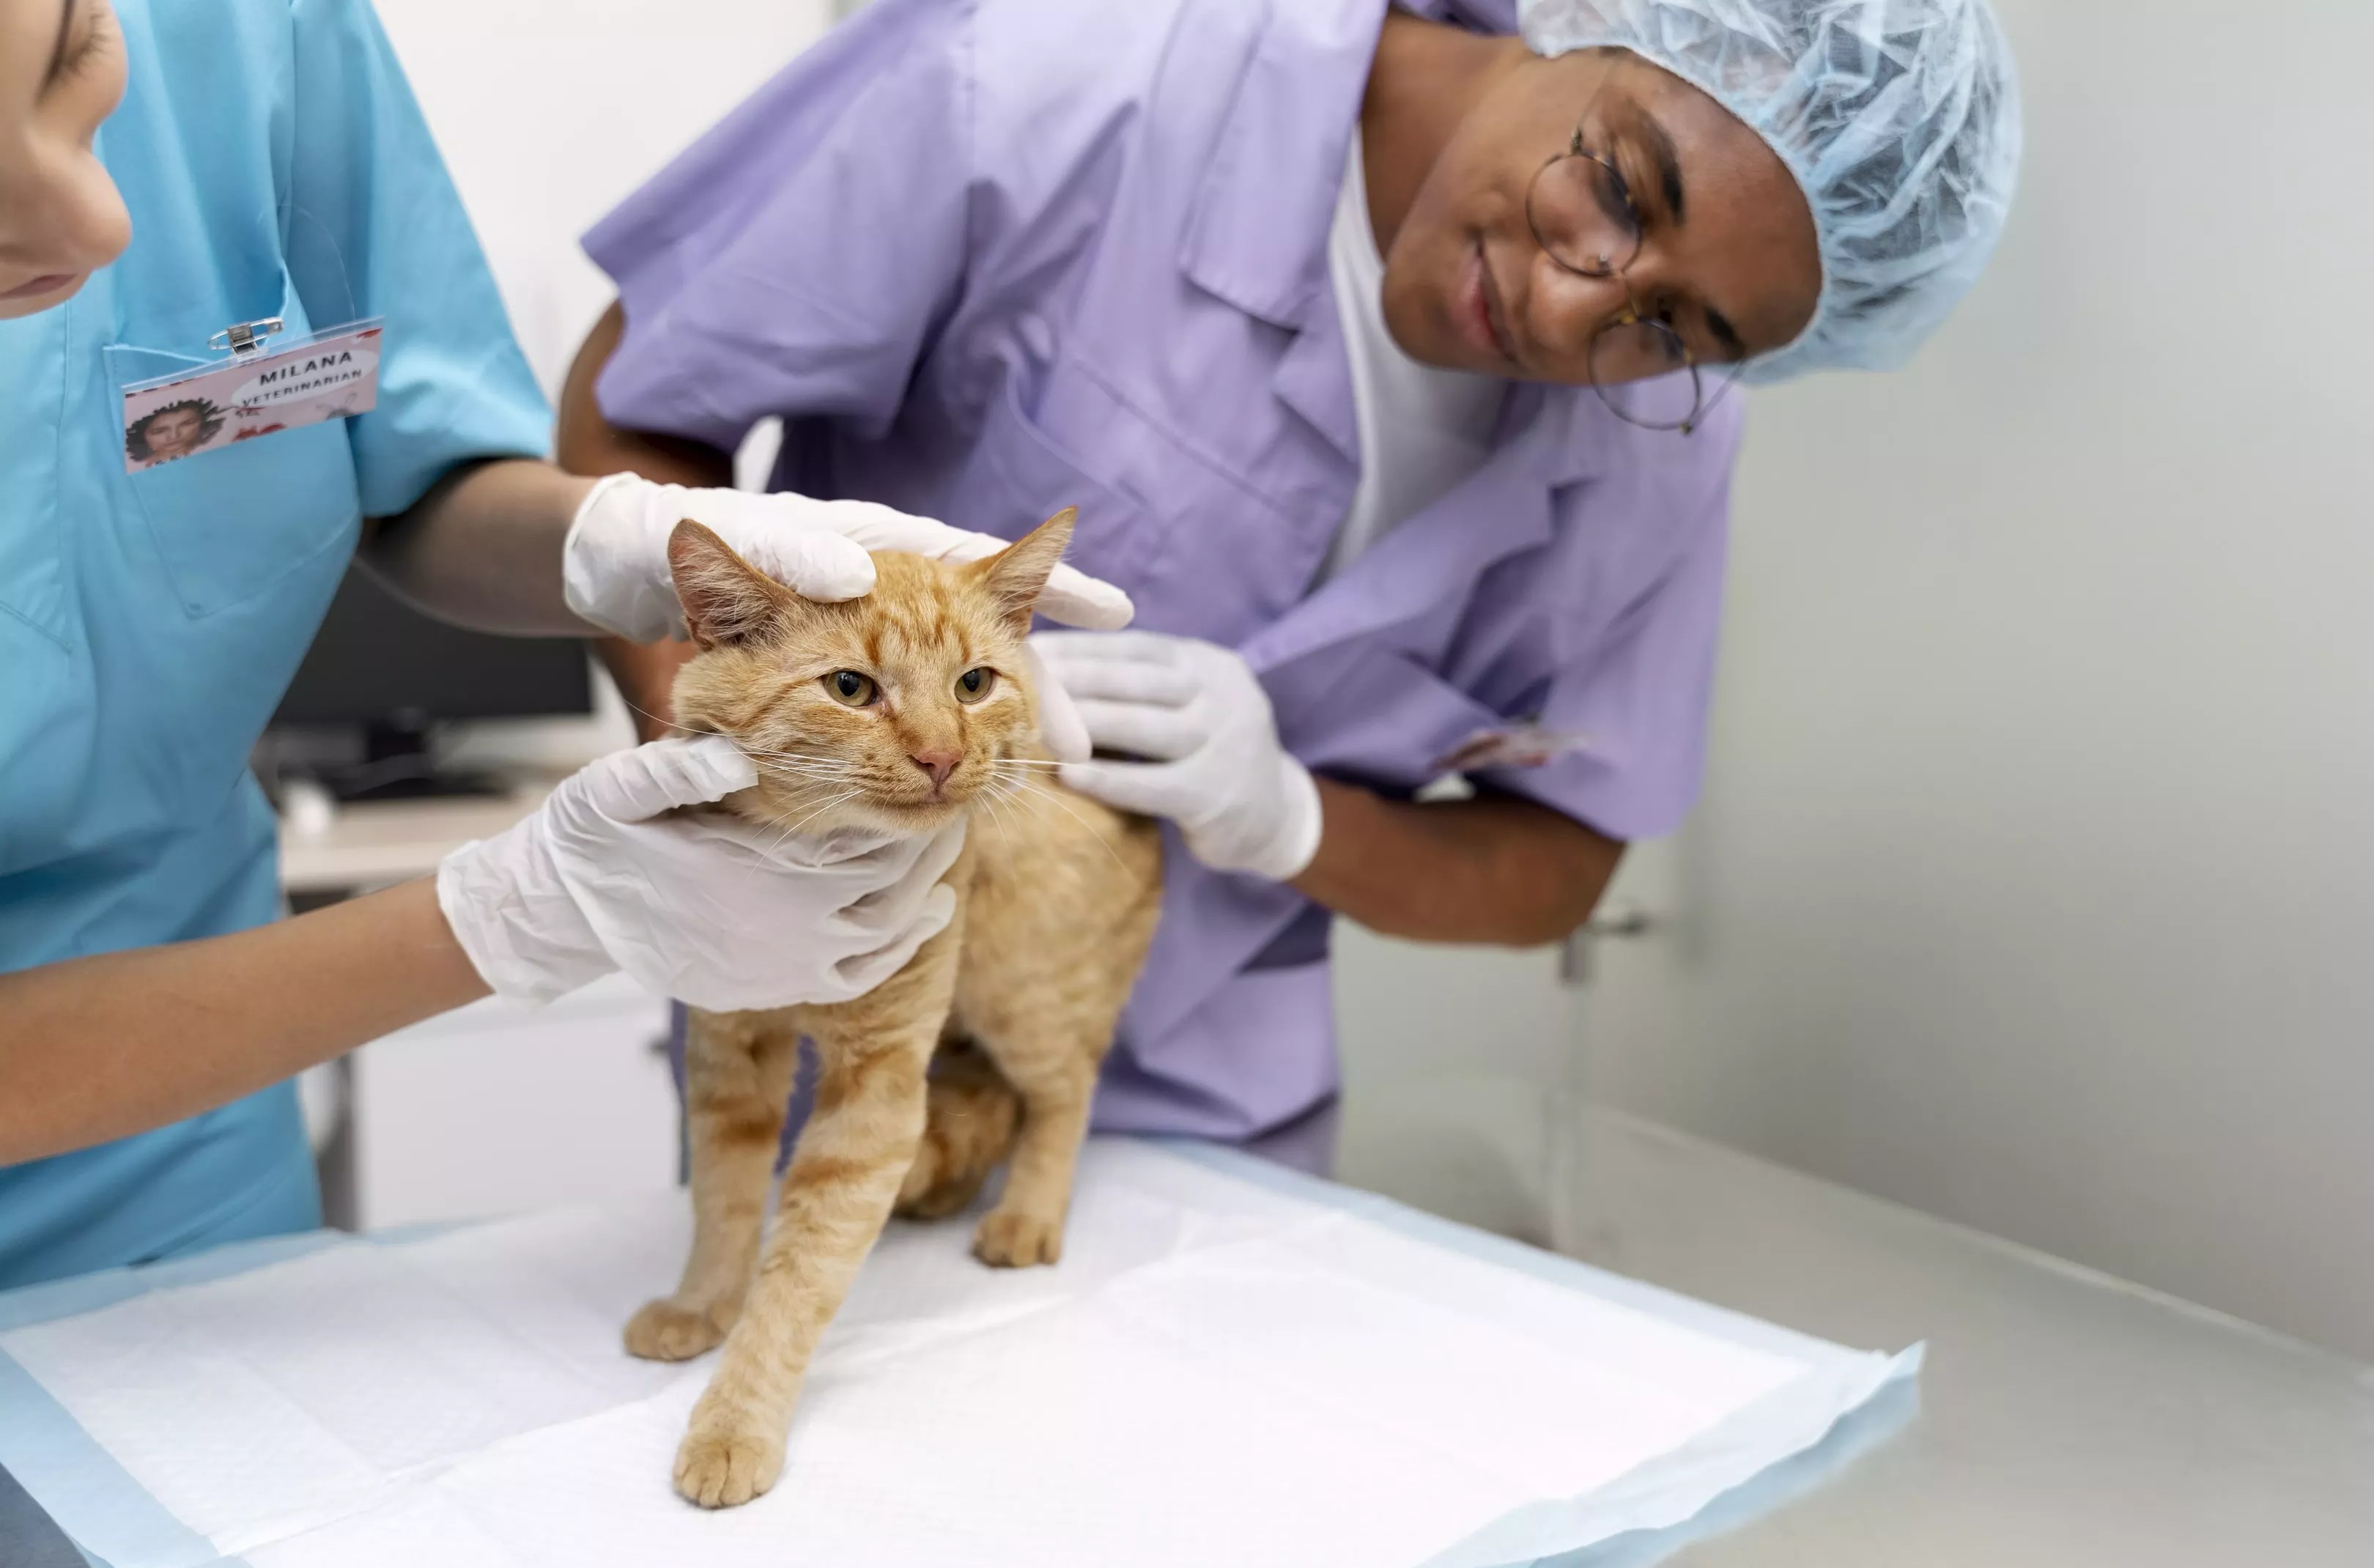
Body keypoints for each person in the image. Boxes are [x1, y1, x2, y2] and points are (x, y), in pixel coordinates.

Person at [565, 0, 2021, 1158]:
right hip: (846, 1047)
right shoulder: (1058, 69)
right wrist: (743, 806)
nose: (1572, 304)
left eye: (1676, 325)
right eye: (1621, 188)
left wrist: (1296, 819)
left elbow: (1561, 863)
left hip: (1230, 1123)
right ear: (1602, 17)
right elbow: (635, 407)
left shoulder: (1662, 450)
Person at [0, 0, 1131, 1287]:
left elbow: (400, 455)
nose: (98, 226)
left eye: (77, 63)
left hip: (194, 1140)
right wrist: (501, 920)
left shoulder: (253, 29)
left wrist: (626, 537)